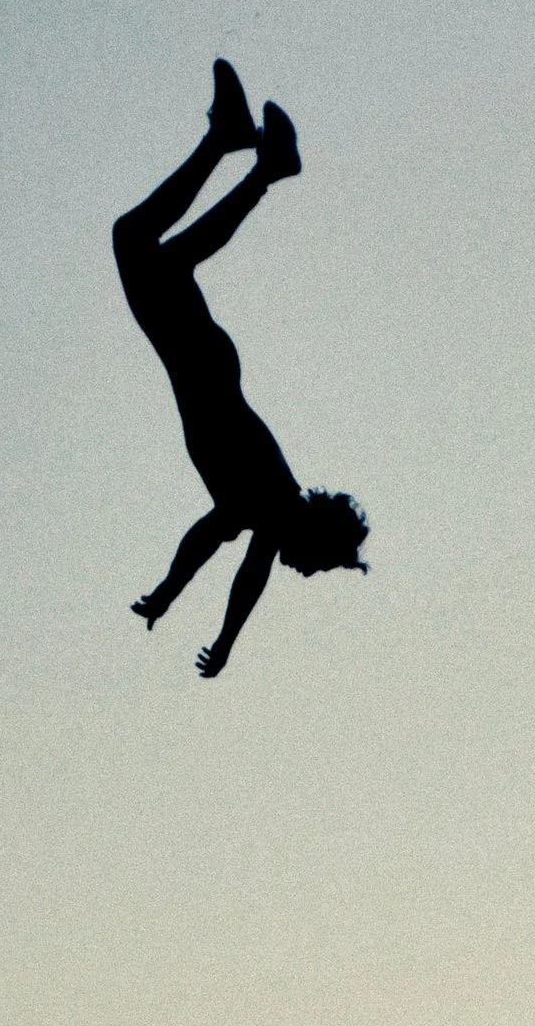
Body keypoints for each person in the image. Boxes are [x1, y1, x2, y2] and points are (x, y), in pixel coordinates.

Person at [114, 62, 367, 677]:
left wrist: (179, 598)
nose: (303, 571)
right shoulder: (270, 507)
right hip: (200, 363)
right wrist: (209, 626)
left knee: (153, 252)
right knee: (139, 246)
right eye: (318, 563)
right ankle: (253, 159)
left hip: (206, 363)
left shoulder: (268, 510)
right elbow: (237, 569)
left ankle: (241, 151)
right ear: (312, 535)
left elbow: (222, 553)